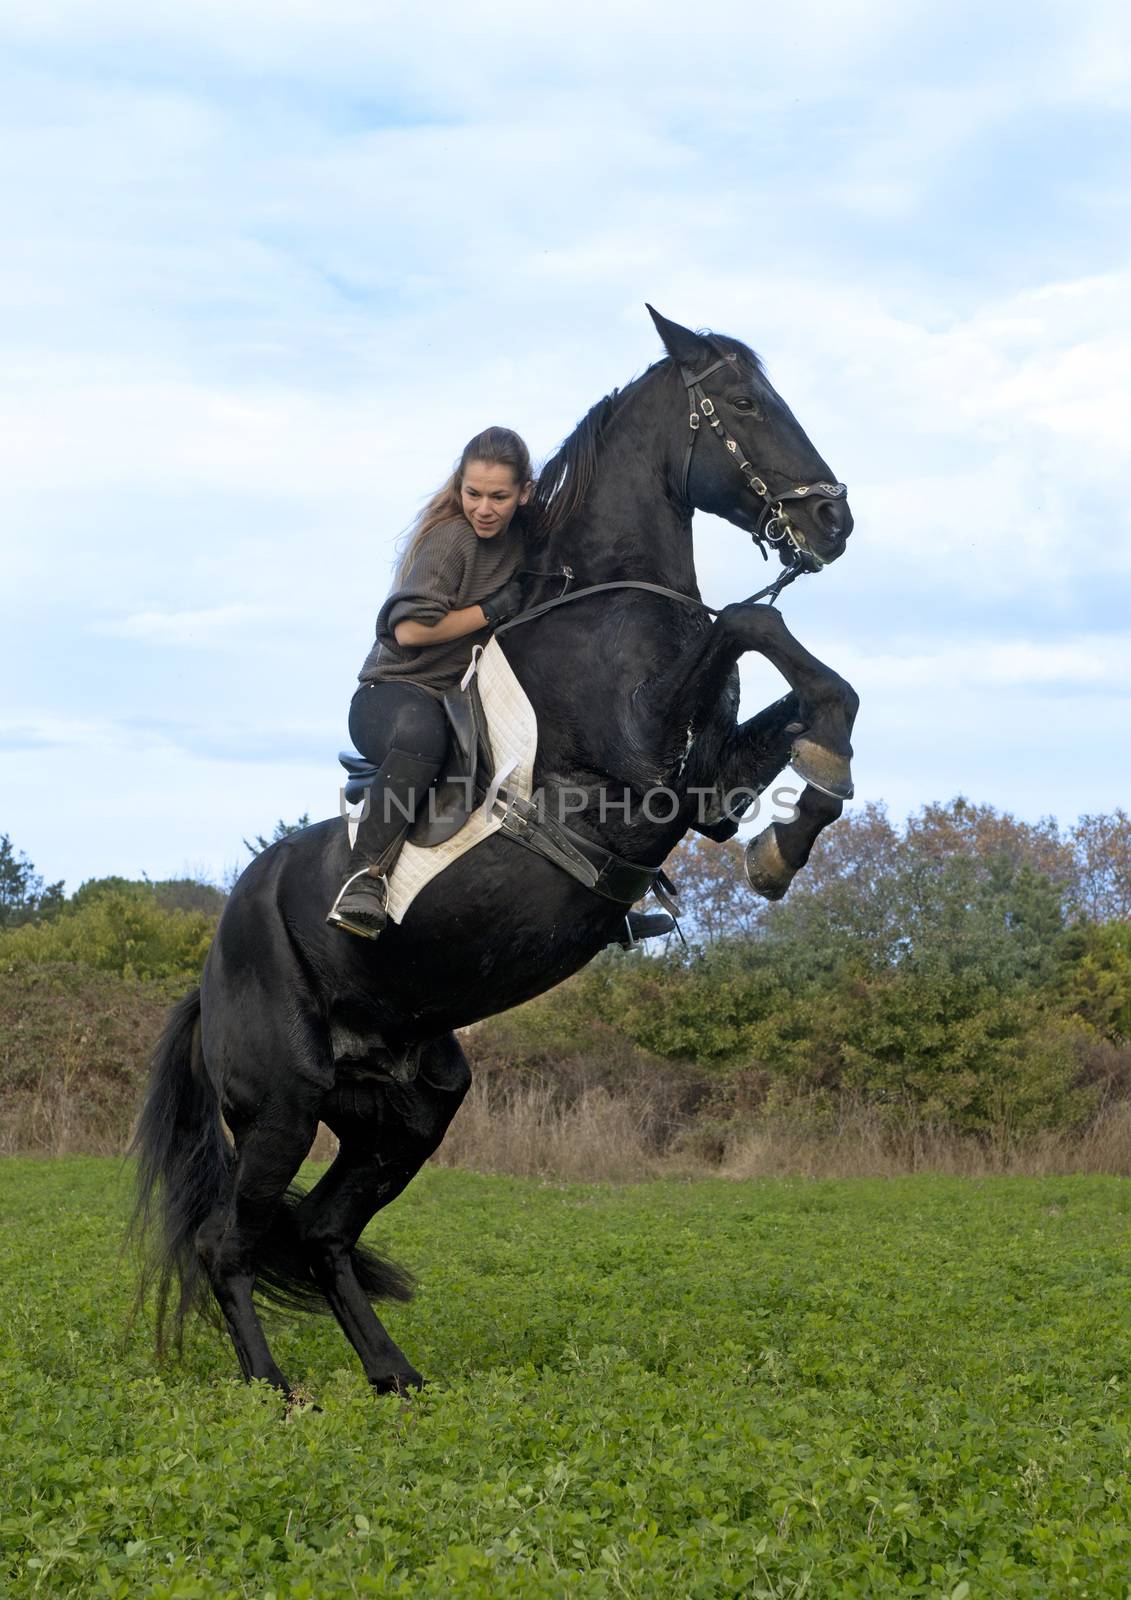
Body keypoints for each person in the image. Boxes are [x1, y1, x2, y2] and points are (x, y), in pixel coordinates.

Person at [327, 426, 534, 939]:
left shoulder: (526, 540)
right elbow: (410, 629)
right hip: (392, 696)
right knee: (426, 735)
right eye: (473, 493)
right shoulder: (452, 540)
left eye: (499, 497)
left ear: (524, 494)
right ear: (459, 487)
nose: (483, 508)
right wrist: (491, 610)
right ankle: (363, 877)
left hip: (457, 701)